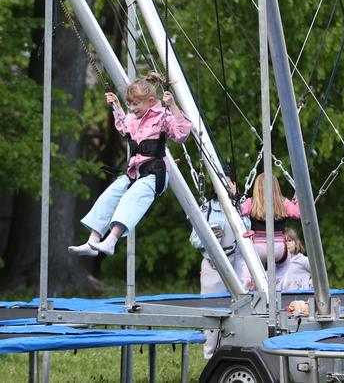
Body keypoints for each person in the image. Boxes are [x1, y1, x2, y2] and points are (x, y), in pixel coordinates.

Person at [68, 72, 192, 257]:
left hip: (155, 174)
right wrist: (116, 105)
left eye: (136, 104)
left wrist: (172, 105)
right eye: (130, 104)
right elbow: (123, 126)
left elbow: (181, 134)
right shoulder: (132, 119)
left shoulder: (162, 116)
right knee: (110, 195)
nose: (132, 108)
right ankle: (93, 241)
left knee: (131, 198)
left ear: (150, 101)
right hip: (135, 172)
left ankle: (111, 241)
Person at [190, 182, 249, 360]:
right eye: (223, 183)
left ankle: (231, 357)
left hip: (236, 264)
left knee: (239, 313)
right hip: (213, 265)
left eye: (231, 183)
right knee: (212, 314)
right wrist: (210, 237)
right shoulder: (207, 208)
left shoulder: (240, 208)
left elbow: (246, 238)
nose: (228, 186)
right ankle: (210, 359)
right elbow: (194, 239)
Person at [240, 173, 300, 290]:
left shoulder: (251, 203)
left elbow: (238, 211)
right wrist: (297, 199)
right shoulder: (284, 203)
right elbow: (298, 213)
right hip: (278, 249)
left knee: (243, 258)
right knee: (286, 263)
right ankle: (275, 283)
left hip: (258, 248)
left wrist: (236, 200)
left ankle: (248, 278)